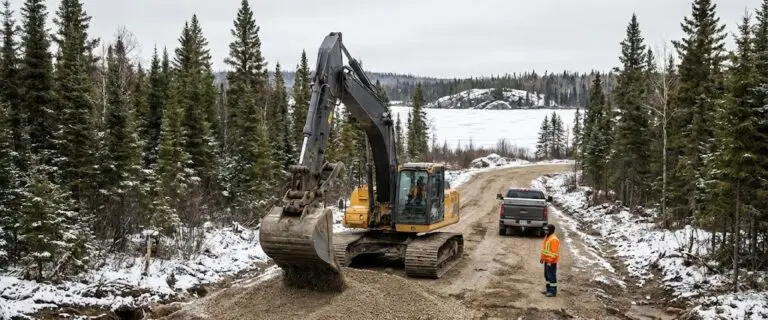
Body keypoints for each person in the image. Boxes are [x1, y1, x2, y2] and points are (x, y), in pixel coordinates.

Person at [539, 224, 560, 297]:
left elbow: (554, 253)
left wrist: (550, 262)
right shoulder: (547, 237)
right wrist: (542, 258)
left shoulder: (554, 239)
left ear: (551, 231)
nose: (545, 231)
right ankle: (548, 290)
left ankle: (553, 291)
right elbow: (545, 250)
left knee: (551, 276)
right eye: (545, 230)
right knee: (547, 276)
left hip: (551, 262)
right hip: (546, 260)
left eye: (547, 230)